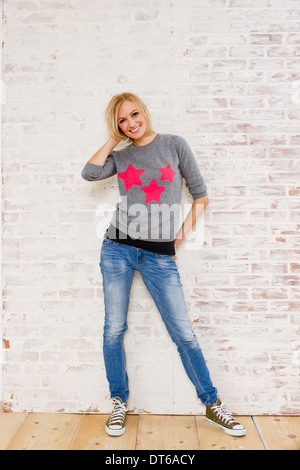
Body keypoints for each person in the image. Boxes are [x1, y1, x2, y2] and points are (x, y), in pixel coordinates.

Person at [81, 92, 246, 438]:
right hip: (117, 248)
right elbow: (90, 173)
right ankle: (119, 402)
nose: (131, 123)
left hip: (159, 256)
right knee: (114, 328)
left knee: (184, 334)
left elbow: (201, 195)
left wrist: (178, 238)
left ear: (145, 112)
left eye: (134, 115)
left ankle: (213, 404)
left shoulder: (174, 144)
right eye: (122, 120)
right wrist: (114, 138)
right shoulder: (122, 156)